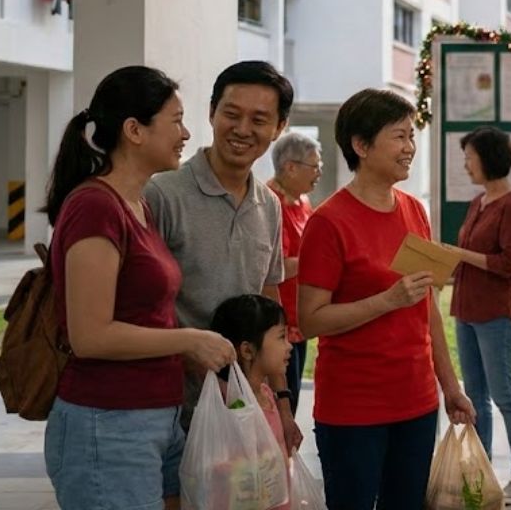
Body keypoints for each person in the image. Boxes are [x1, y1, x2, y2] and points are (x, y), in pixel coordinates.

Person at [42, 66, 235, 510]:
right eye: (176, 120)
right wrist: (189, 340)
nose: (187, 133)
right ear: (134, 130)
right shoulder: (95, 207)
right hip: (108, 424)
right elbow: (90, 336)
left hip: (154, 418)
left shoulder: (139, 205)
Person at [298, 88, 475, 510]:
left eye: (411, 135)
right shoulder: (328, 222)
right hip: (353, 407)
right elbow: (310, 321)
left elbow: (426, 306)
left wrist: (450, 387)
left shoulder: (414, 210)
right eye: (399, 136)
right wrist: (385, 301)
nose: (410, 147)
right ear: (361, 145)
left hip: (416, 401)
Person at [145, 60, 301, 451]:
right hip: (168, 412)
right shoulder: (163, 194)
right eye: (232, 114)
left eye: (260, 119)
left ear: (279, 128)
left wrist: (282, 404)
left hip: (242, 411)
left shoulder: (269, 205)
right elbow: (138, 305)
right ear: (212, 112)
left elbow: (269, 307)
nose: (243, 129)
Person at [445, 127, 511, 505]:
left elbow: (509, 263)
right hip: (465, 309)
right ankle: (478, 474)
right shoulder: (478, 202)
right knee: (475, 397)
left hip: (497, 314)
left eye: (470, 156)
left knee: (504, 395)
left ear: (488, 158)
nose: (466, 164)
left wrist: (460, 254)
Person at [210, 294, 295, 510]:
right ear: (247, 350)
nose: (289, 346)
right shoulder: (232, 404)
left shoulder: (266, 393)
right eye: (281, 337)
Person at [268, 131, 322, 414]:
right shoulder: (270, 203)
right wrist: (319, 260)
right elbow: (276, 266)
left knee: (294, 399)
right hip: (279, 322)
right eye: (314, 167)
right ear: (290, 167)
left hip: (301, 320)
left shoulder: (302, 202)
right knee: (280, 404)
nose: (319, 173)